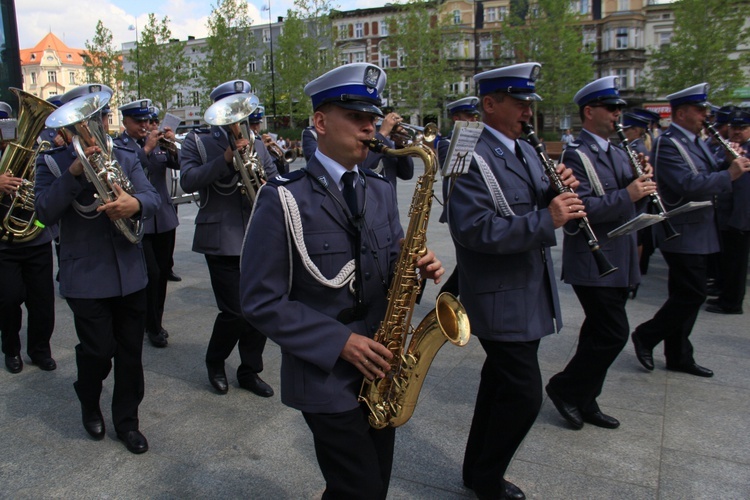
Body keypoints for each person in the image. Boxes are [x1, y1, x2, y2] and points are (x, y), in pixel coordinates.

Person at [239, 62, 444, 500]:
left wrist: (414, 269)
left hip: (382, 368)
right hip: (325, 374)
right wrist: (340, 343)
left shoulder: (380, 188)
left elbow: (390, 281)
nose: (370, 129)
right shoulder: (282, 197)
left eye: (372, 118)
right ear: (320, 122)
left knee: (371, 484)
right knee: (362, 487)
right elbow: (259, 300)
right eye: (357, 117)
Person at [447, 62, 584, 499]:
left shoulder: (525, 147)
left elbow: (525, 203)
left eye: (529, 104)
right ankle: (488, 480)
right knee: (525, 396)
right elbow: (471, 228)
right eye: (520, 103)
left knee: (500, 384)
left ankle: (475, 471)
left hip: (527, 289)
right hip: (497, 295)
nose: (528, 111)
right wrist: (547, 218)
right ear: (490, 104)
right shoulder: (468, 148)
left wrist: (556, 194)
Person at [34, 85, 161, 454]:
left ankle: (127, 422)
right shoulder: (52, 162)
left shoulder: (123, 153)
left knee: (130, 354)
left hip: (129, 271)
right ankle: (89, 398)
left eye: (100, 117)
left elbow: (152, 196)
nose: (97, 125)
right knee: (97, 351)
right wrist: (73, 174)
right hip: (86, 275)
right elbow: (42, 214)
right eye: (86, 121)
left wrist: (133, 203)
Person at [545, 77, 657, 430]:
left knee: (598, 331)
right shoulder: (577, 153)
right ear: (589, 112)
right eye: (611, 108)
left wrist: (644, 179)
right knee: (613, 333)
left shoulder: (619, 150)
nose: (618, 115)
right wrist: (630, 193)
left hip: (620, 253)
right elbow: (583, 206)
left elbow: (632, 194)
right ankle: (565, 387)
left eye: (619, 108)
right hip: (592, 259)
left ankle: (586, 398)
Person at [630, 84, 750, 377]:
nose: (705, 115)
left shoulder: (697, 141)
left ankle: (679, 354)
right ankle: (646, 334)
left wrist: (728, 160)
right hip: (682, 229)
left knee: (684, 292)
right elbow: (687, 185)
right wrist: (729, 174)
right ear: (681, 113)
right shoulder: (669, 143)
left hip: (702, 227)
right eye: (699, 110)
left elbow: (706, 173)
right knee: (692, 293)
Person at [180, 80, 278, 397]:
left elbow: (276, 179)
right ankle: (215, 361)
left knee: (259, 309)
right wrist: (224, 159)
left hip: (257, 236)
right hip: (220, 237)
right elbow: (188, 180)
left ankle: (249, 371)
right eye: (232, 110)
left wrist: (268, 181)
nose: (240, 119)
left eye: (243, 109)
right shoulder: (197, 140)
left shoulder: (256, 142)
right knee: (235, 311)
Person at [114, 100, 180, 348]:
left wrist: (171, 144)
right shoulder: (119, 147)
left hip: (163, 217)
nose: (144, 126)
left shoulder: (158, 141)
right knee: (150, 274)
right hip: (138, 218)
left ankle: (156, 321)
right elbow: (122, 175)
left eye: (147, 121)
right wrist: (146, 151)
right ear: (125, 122)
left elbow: (181, 164)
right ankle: (150, 325)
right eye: (137, 121)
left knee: (161, 273)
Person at [1, 100, 58, 374]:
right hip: (3, 242)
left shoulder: (36, 150)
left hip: (35, 236)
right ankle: (11, 349)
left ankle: (39, 350)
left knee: (43, 301)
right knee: (9, 299)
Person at [706, 108, 750, 315]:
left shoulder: (747, 152)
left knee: (737, 263)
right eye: (734, 127)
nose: (737, 132)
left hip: (739, 218)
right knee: (729, 261)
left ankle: (732, 302)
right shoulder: (733, 150)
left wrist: (739, 221)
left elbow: (744, 192)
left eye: (743, 128)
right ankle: (726, 295)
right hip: (728, 215)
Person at [437, 96, 481, 297]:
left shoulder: (478, 140)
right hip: (457, 207)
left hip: (475, 205)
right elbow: (451, 170)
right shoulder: (446, 143)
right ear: (457, 118)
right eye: (469, 117)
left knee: (468, 261)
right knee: (467, 259)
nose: (473, 120)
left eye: (474, 116)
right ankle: (445, 297)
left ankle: (447, 297)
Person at [360, 111, 414, 191]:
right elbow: (362, 167)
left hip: (389, 201)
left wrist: (400, 145)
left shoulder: (387, 143)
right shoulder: (360, 145)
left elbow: (407, 174)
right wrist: (383, 133)